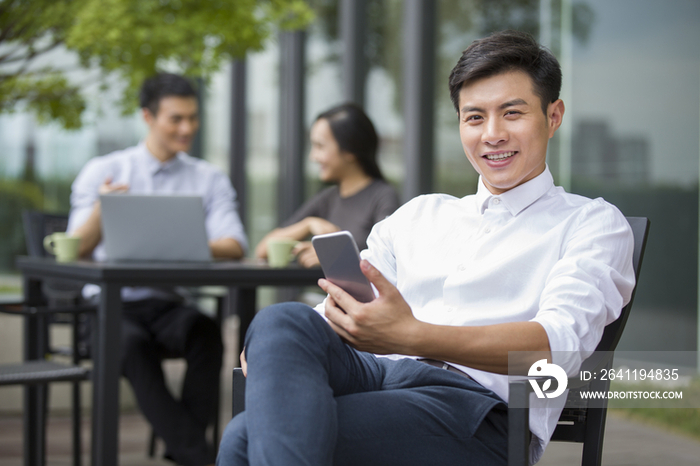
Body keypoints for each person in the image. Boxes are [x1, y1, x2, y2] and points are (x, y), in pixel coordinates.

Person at [217, 30, 635, 466]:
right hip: (377, 375)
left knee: (246, 438)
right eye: (474, 118)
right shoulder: (419, 215)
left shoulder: (592, 223)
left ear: (553, 116)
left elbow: (555, 348)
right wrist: (276, 349)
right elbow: (338, 312)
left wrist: (412, 335)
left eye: (512, 113)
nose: (492, 134)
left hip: (477, 409)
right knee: (281, 322)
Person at [67, 73, 247, 466]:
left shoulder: (207, 178)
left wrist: (185, 241)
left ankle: (184, 454)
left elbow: (234, 245)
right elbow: (74, 249)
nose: (187, 128)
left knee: (206, 333)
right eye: (176, 119)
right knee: (129, 343)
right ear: (147, 116)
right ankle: (197, 457)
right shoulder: (104, 171)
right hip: (109, 307)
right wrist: (103, 208)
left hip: (166, 306)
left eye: (193, 118)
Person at [255, 103, 399, 268]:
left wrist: (336, 256)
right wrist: (308, 224)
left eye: (320, 146)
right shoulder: (327, 198)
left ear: (350, 149)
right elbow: (263, 250)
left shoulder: (383, 197)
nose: (313, 157)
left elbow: (389, 262)